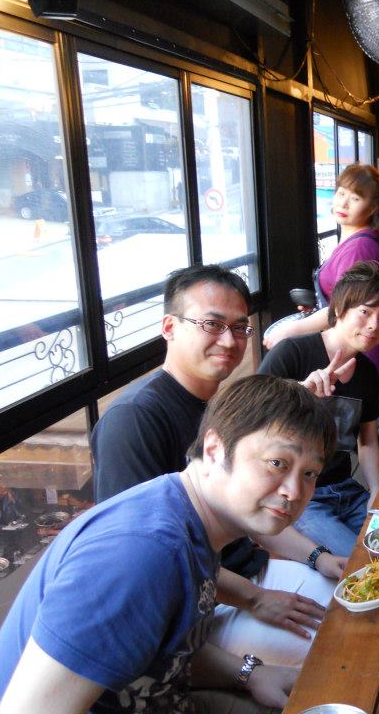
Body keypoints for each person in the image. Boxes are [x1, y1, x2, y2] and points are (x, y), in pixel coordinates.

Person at [0, 375, 337, 714]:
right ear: (214, 449)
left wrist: (250, 673)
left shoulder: (194, 523)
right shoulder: (140, 556)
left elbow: (163, 653)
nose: (294, 491)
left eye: (309, 473)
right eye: (277, 463)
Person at [91, 263, 346, 667]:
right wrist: (256, 599)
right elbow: (144, 564)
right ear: (170, 327)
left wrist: (318, 556)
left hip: (249, 575)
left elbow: (258, 509)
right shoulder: (134, 420)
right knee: (337, 653)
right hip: (194, 608)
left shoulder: (220, 406)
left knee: (358, 607)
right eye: (212, 324)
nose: (229, 340)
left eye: (240, 327)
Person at [258, 261, 379, 556]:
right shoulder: (293, 352)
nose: (374, 325)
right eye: (365, 312)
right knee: (360, 562)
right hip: (300, 497)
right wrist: (300, 390)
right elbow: (250, 415)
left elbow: (367, 440)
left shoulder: (366, 371)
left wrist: (376, 490)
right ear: (339, 310)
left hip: (345, 488)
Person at [263, 163, 379, 392]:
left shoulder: (359, 249)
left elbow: (346, 305)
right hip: (353, 351)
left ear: (373, 207)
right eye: (341, 193)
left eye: (355, 198)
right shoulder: (358, 239)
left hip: (357, 354)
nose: (343, 203)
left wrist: (290, 331)